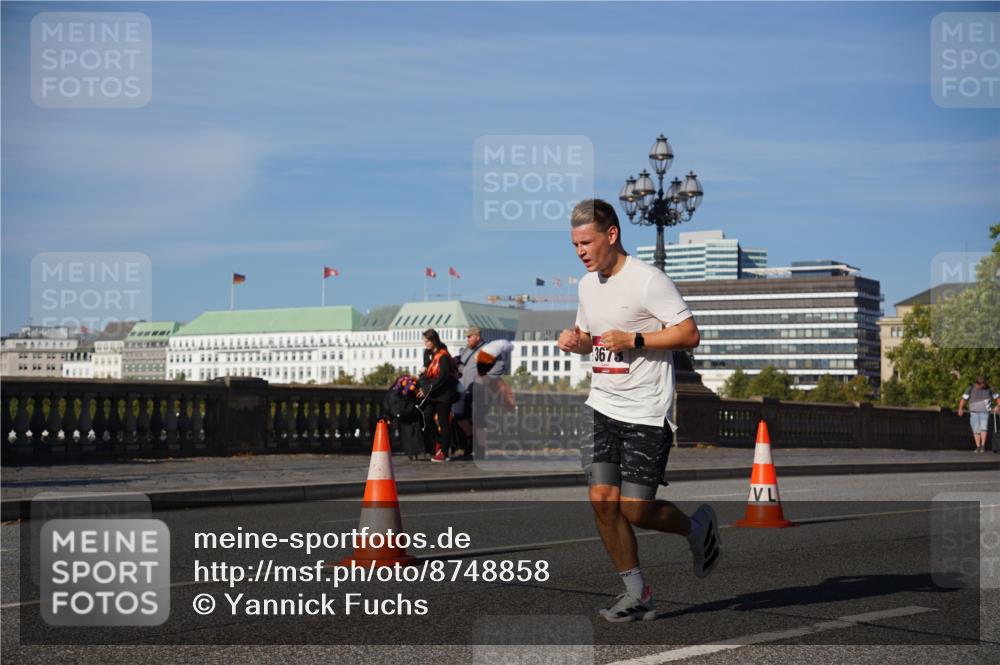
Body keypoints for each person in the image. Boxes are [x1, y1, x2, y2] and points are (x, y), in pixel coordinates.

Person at [557, 198, 720, 623]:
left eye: (586, 242)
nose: (580, 252)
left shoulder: (649, 281)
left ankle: (696, 529)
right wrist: (576, 342)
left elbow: (689, 333)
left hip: (646, 411)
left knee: (636, 509)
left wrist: (637, 340)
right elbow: (590, 336)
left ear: (612, 235)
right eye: (575, 244)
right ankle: (637, 591)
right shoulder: (586, 285)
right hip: (601, 407)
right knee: (601, 501)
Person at [454, 327, 506, 456]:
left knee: (479, 420)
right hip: (465, 389)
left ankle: (479, 448)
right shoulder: (466, 350)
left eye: (470, 336)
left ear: (477, 337)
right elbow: (462, 367)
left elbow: (500, 367)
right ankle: (471, 441)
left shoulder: (489, 349)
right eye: (467, 337)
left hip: (481, 390)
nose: (467, 339)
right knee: (460, 416)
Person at [417, 328, 459, 462]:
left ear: (434, 340)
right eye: (424, 341)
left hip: (444, 394)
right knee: (427, 417)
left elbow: (443, 378)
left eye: (428, 341)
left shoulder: (443, 356)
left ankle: (444, 452)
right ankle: (439, 444)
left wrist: (427, 389)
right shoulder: (428, 354)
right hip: (434, 393)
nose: (425, 343)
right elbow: (428, 369)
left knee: (443, 422)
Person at [957, 374, 1000, 454]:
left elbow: (997, 398)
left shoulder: (990, 388)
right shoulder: (971, 388)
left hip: (985, 411)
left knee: (983, 428)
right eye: (981, 384)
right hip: (974, 412)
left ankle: (983, 446)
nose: (983, 385)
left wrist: (998, 406)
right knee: (976, 429)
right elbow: (963, 399)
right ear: (977, 384)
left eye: (984, 384)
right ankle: (978, 446)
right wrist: (960, 408)